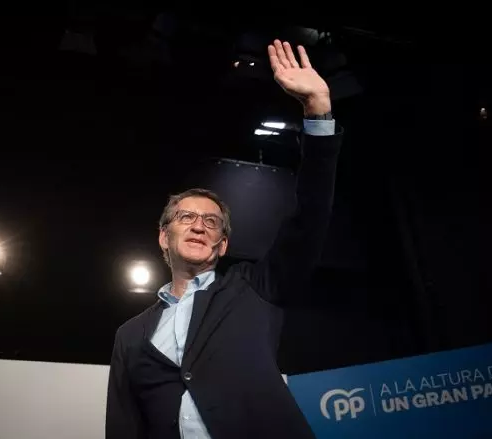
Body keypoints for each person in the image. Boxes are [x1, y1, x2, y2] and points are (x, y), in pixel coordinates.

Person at [106, 39, 342, 439]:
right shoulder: (130, 336)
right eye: (187, 217)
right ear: (164, 236)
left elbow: (311, 219)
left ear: (223, 245)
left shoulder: (254, 289)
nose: (199, 226)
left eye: (212, 223)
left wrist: (318, 110)